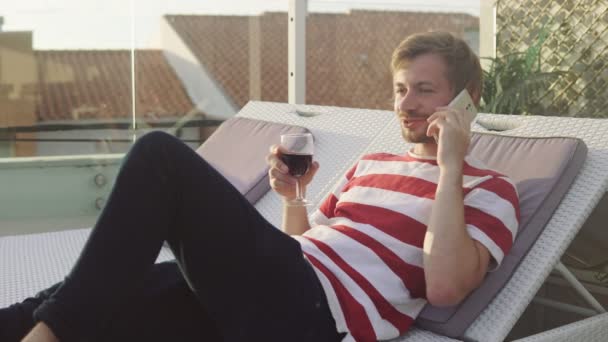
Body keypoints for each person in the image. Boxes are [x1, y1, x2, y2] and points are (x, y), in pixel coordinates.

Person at [0, 31, 519, 342]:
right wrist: (294, 198)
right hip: (269, 295)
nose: (406, 104)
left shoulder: (489, 189)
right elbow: (301, 244)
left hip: (313, 316)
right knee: (88, 297)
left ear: (467, 99)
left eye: (425, 91)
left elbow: (446, 287)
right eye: (401, 90)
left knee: (161, 158)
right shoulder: (372, 163)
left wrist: (450, 167)